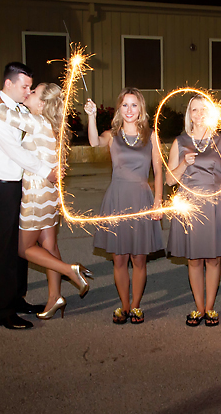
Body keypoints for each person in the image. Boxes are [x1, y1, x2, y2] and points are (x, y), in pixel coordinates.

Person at [0, 83, 92, 320]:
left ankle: (69, 270)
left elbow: (2, 113)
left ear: (43, 104)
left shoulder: (37, 123)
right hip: (50, 193)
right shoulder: (55, 127)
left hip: (35, 193)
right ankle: (55, 297)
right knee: (49, 246)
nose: (29, 92)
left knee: (22, 249)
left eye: (34, 92)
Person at [0, 62, 55, 330]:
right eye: (25, 86)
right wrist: (47, 171)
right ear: (8, 84)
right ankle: (3, 311)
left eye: (30, 87)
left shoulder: (19, 109)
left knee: (19, 247)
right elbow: (15, 151)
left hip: (20, 187)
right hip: (1, 188)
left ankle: (17, 298)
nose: (29, 91)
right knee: (3, 251)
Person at [84, 87, 164, 324]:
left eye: (134, 105)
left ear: (141, 109)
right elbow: (93, 142)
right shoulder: (112, 135)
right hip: (116, 199)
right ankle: (124, 306)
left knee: (138, 258)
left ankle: (137, 306)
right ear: (119, 108)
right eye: (125, 105)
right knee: (119, 258)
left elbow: (159, 171)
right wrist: (91, 117)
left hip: (141, 200)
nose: (129, 110)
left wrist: (158, 201)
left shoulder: (151, 135)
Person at [166, 95, 221, 327]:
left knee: (214, 260)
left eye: (203, 109)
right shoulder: (180, 142)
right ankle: (198, 308)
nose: (199, 114)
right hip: (189, 208)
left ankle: (210, 308)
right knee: (194, 260)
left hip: (216, 207)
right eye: (194, 110)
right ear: (189, 115)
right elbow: (168, 180)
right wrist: (184, 163)